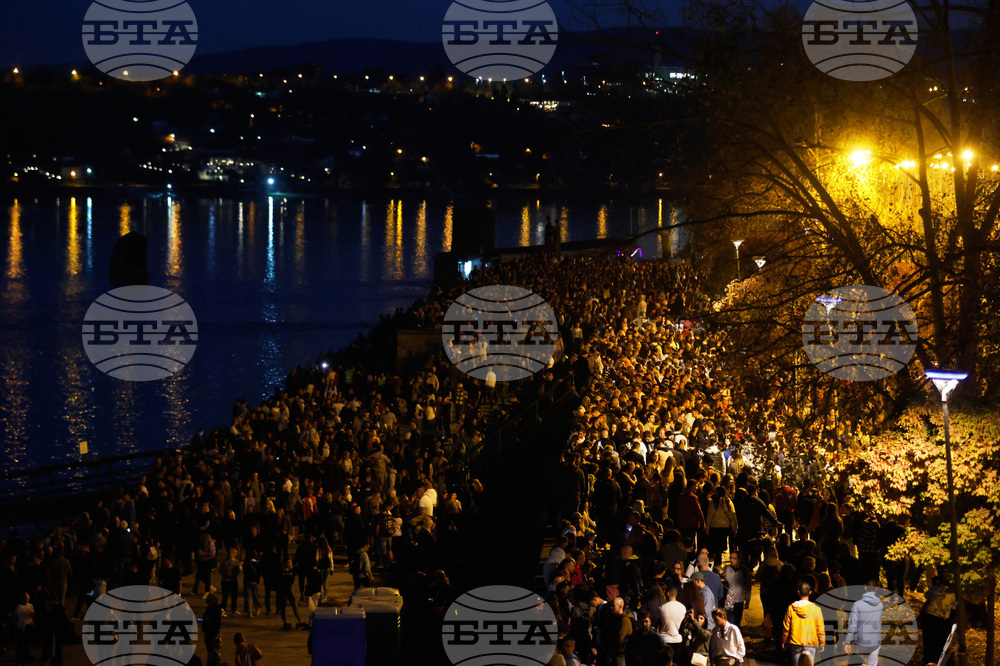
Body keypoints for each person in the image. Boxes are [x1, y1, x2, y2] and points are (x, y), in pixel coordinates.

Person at [782, 580, 825, 666]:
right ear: (810, 592)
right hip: (811, 642)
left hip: (795, 641)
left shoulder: (791, 608)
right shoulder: (816, 609)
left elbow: (786, 626)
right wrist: (822, 643)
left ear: (798, 592)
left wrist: (784, 640)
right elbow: (820, 628)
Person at [844, 580, 884, 666]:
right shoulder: (880, 605)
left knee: (858, 663)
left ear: (865, 587)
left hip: (861, 640)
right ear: (876, 588)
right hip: (875, 640)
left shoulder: (857, 605)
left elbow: (852, 625)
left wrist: (848, 642)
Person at [919, 575, 957, 665]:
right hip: (942, 620)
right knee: (942, 645)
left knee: (929, 645)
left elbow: (927, 595)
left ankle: (929, 662)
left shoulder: (935, 588)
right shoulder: (951, 593)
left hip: (929, 618)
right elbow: (954, 607)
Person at [722, 551, 752, 627]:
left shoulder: (745, 571)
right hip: (728, 600)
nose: (732, 560)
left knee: (737, 622)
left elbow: (748, 586)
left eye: (734, 558)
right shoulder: (726, 569)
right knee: (730, 622)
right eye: (731, 558)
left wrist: (747, 600)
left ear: (739, 559)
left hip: (739, 601)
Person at [14, 592, 34, 666]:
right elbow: (16, 617)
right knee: (21, 644)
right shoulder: (19, 607)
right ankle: (19, 659)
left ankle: (26, 656)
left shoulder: (30, 606)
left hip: (28, 624)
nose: (26, 599)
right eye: (25, 598)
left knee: (27, 642)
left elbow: (32, 615)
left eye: (27, 598)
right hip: (21, 626)